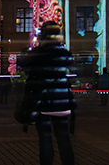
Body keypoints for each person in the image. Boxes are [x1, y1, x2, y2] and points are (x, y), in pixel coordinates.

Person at [25, 21, 76, 165]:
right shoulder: (63, 53)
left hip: (44, 103)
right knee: (64, 138)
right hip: (63, 103)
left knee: (46, 140)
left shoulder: (39, 54)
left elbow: (31, 78)